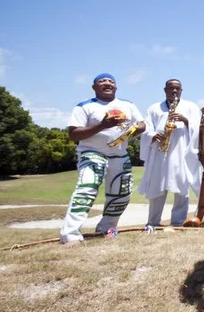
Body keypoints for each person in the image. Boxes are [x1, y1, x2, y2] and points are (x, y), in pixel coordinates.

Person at [60, 73, 145, 245]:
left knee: (121, 193)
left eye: (111, 81)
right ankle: (70, 234)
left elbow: (142, 124)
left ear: (116, 87)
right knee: (86, 189)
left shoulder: (128, 105)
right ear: (94, 87)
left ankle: (106, 227)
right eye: (102, 81)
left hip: (119, 153)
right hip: (92, 152)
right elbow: (73, 134)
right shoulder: (85, 106)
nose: (107, 83)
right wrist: (102, 125)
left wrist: (133, 130)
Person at [138, 79, 202, 227]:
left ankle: (178, 221)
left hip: (181, 153)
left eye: (177, 88)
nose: (174, 91)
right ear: (165, 90)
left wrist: (186, 121)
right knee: (156, 187)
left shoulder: (191, 107)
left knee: (181, 188)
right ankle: (153, 222)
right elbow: (147, 128)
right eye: (171, 88)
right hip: (160, 153)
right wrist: (153, 135)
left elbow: (200, 128)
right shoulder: (154, 108)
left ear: (181, 91)